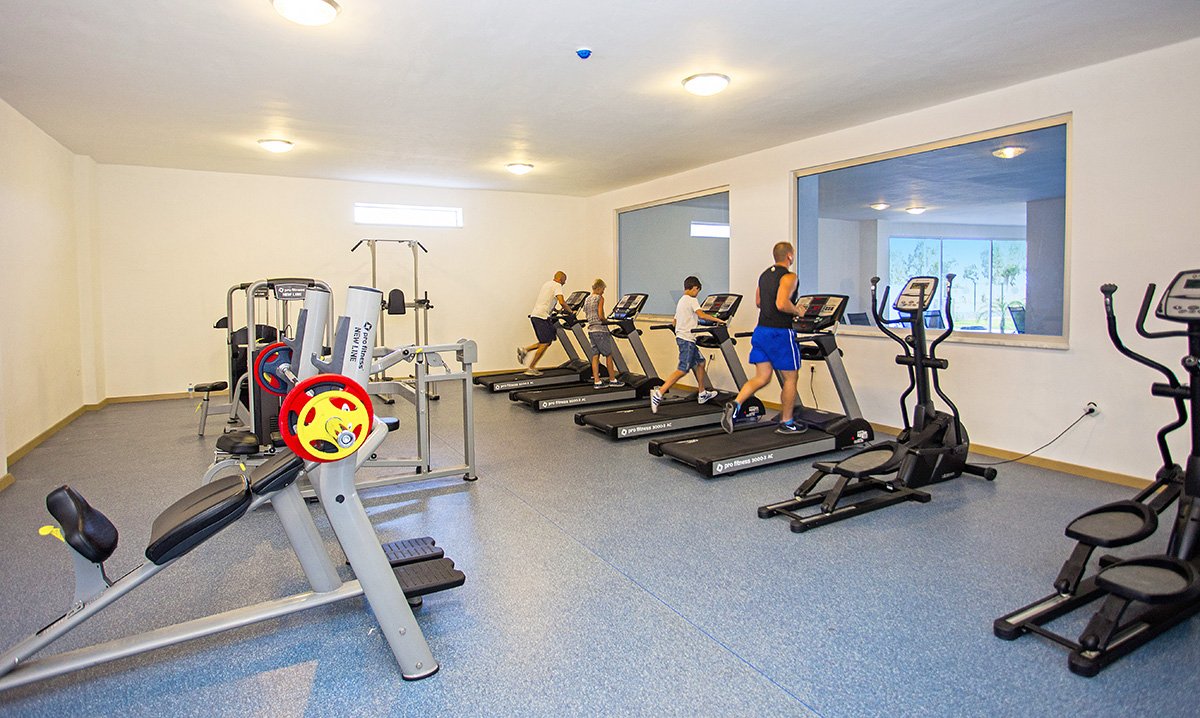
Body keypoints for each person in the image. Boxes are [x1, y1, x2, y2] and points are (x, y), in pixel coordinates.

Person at [721, 242, 807, 434]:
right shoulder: (789, 276)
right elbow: (781, 304)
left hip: (761, 330)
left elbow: (759, 302)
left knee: (762, 377)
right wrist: (797, 311)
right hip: (780, 332)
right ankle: (787, 421)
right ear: (790, 256)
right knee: (791, 378)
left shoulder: (764, 275)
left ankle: (736, 404)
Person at [650, 276, 724, 413]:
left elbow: (675, 321)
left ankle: (702, 393)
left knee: (701, 362)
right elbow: (701, 315)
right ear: (695, 288)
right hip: (687, 340)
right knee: (683, 369)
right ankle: (659, 393)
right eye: (698, 291)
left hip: (684, 338)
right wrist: (719, 320)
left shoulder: (681, 300)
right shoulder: (692, 300)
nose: (697, 294)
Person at [517, 271, 569, 376]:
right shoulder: (557, 285)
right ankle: (531, 368)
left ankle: (525, 350)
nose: (564, 283)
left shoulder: (547, 284)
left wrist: (557, 311)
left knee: (547, 341)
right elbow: (562, 302)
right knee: (545, 343)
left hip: (538, 315)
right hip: (542, 317)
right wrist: (570, 312)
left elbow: (547, 301)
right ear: (560, 279)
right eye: (564, 281)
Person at [582, 279, 625, 389]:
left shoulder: (587, 299)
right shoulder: (599, 298)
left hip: (591, 330)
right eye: (603, 289)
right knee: (608, 355)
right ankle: (612, 379)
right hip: (600, 330)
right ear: (599, 288)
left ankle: (597, 381)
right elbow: (600, 315)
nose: (603, 291)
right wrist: (606, 320)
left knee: (595, 356)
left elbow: (587, 313)